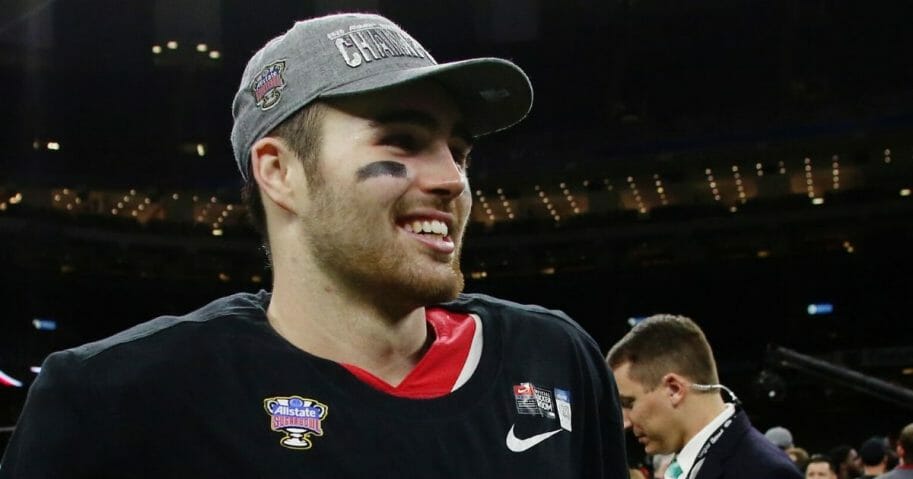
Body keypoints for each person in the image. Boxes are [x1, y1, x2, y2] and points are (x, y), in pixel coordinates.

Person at [0, 12, 627, 478]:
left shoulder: (555, 359)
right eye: (401, 142)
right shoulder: (115, 399)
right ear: (280, 172)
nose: (453, 180)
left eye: (458, 151)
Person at [605, 314, 801, 479]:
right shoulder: (693, 463)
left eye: (629, 403)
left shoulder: (765, 473)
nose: (625, 423)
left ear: (674, 389)